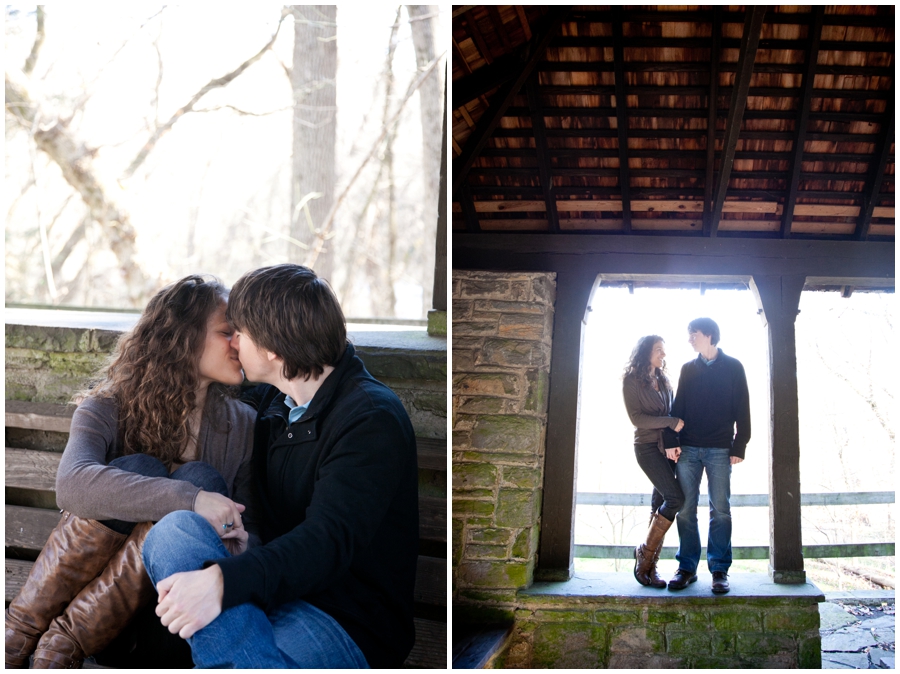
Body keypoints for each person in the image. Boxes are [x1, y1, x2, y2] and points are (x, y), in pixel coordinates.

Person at [141, 264, 419, 669]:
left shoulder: (370, 419)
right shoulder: (274, 402)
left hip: (340, 619)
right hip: (266, 593)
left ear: (271, 348)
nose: (233, 342)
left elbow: (326, 543)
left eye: (240, 332)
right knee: (174, 531)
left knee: (224, 641)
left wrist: (222, 581)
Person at [5, 275, 257, 669]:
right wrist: (190, 500)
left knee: (204, 478)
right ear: (184, 338)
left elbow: (252, 531)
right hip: (105, 630)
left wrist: (231, 536)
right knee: (147, 470)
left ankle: (57, 648)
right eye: (227, 331)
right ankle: (22, 637)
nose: (238, 343)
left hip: (172, 620)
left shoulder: (242, 425)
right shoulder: (108, 405)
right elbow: (72, 485)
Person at [668, 317, 750, 594]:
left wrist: (740, 446)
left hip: (720, 449)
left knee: (721, 510)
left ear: (709, 335)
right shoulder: (687, 369)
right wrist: (672, 441)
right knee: (686, 510)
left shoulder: (734, 367)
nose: (690, 338)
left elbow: (743, 410)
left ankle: (719, 570)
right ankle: (687, 568)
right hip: (688, 448)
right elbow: (678, 408)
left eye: (694, 334)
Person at [622, 335, 685, 588]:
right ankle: (644, 556)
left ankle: (649, 567)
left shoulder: (664, 379)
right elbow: (637, 418)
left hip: (666, 449)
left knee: (659, 503)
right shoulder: (631, 381)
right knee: (675, 499)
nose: (663, 355)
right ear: (646, 352)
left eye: (664, 351)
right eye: (659, 350)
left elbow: (671, 412)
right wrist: (670, 422)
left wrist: (673, 444)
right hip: (647, 448)